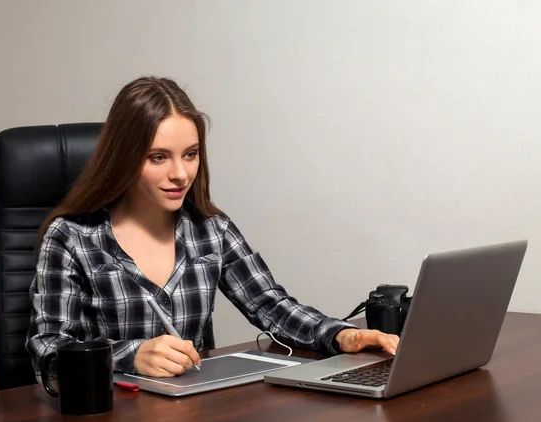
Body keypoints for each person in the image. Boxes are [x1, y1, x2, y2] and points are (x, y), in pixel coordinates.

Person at [25, 76, 399, 378]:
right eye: (158, 157)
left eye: (191, 154)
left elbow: (273, 306)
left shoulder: (211, 230)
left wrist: (342, 334)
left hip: (193, 414)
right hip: (106, 419)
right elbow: (49, 349)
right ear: (123, 158)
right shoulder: (72, 238)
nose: (180, 173)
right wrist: (128, 355)